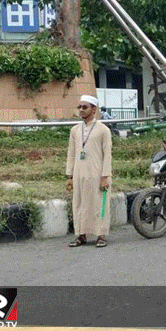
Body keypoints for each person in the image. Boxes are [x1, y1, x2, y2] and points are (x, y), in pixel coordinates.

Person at [66, 95, 113, 248]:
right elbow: (71, 153)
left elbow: (107, 155)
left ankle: (101, 235)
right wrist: (69, 176)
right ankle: (81, 235)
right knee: (79, 204)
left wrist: (105, 176)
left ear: (94, 109)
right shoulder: (75, 130)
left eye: (84, 107)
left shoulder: (103, 130)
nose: (81, 110)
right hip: (79, 174)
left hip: (99, 174)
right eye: (79, 107)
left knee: (101, 203)